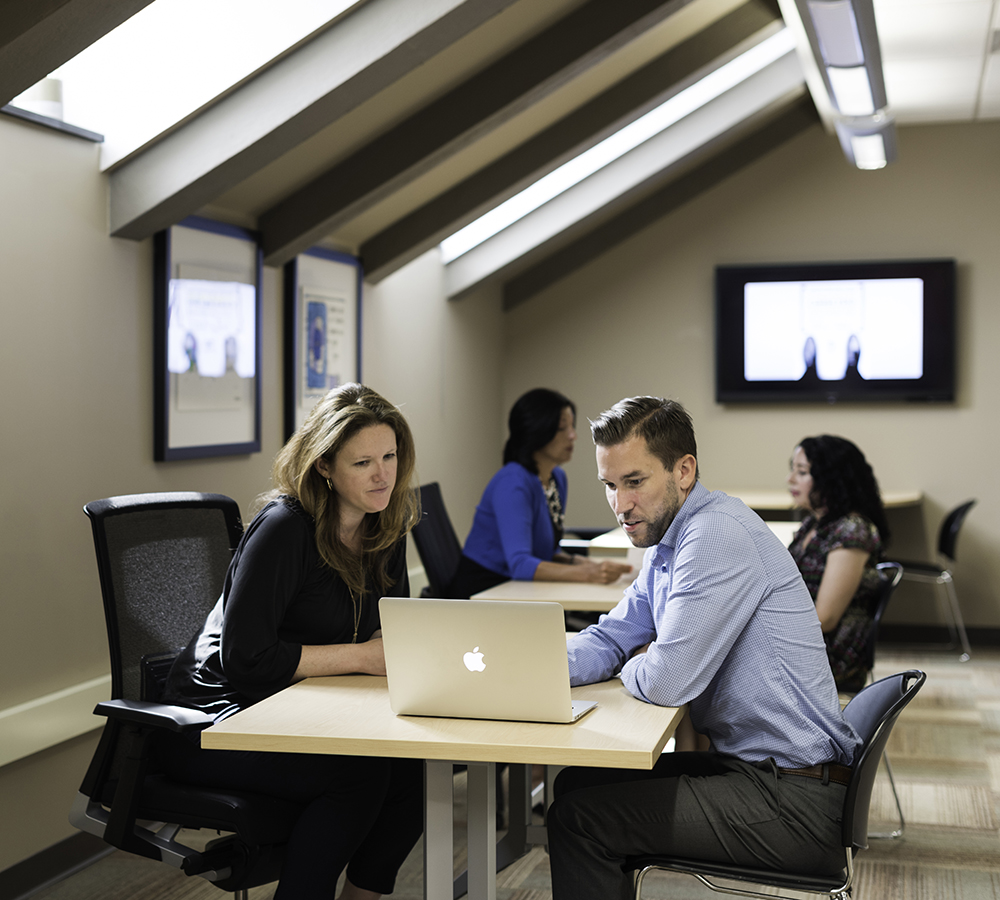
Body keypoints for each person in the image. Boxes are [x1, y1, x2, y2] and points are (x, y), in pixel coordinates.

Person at [546, 396, 862, 900]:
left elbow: (669, 681)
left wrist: (637, 662)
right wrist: (538, 667)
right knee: (577, 784)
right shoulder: (668, 539)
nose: (620, 504)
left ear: (684, 470)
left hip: (794, 800)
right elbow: (612, 636)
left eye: (634, 482)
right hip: (758, 772)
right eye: (609, 485)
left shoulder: (714, 533)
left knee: (579, 818)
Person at [159, 383, 423, 900]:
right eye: (363, 462)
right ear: (324, 466)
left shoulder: (386, 523)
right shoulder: (284, 529)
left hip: (296, 708)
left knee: (412, 774)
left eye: (390, 456)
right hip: (215, 720)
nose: (382, 474)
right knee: (358, 778)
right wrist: (365, 657)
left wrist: (383, 649)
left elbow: (390, 626)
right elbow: (245, 659)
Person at [447, 387, 630, 598]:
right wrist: (588, 573)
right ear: (538, 429)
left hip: (520, 589)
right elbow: (520, 564)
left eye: (572, 426)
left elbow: (546, 553)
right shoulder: (513, 482)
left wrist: (585, 564)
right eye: (563, 427)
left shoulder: (556, 478)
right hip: (484, 591)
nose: (573, 436)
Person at [787, 435, 889, 692]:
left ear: (830, 479)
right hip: (804, 645)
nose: (791, 480)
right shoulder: (814, 524)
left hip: (827, 658)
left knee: (710, 676)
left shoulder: (851, 531)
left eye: (801, 472)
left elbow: (826, 619)